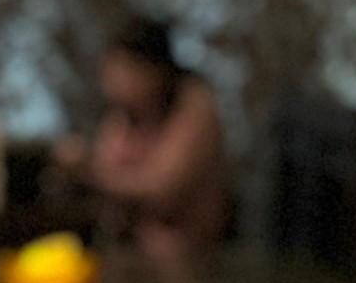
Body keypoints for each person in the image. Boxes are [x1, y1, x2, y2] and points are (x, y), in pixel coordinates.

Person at [56, 18, 227, 254]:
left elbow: (162, 190)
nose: (111, 82)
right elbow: (107, 165)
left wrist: (89, 170)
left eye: (123, 69)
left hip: (190, 251)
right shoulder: (123, 115)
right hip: (126, 247)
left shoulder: (193, 105)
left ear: (154, 71)